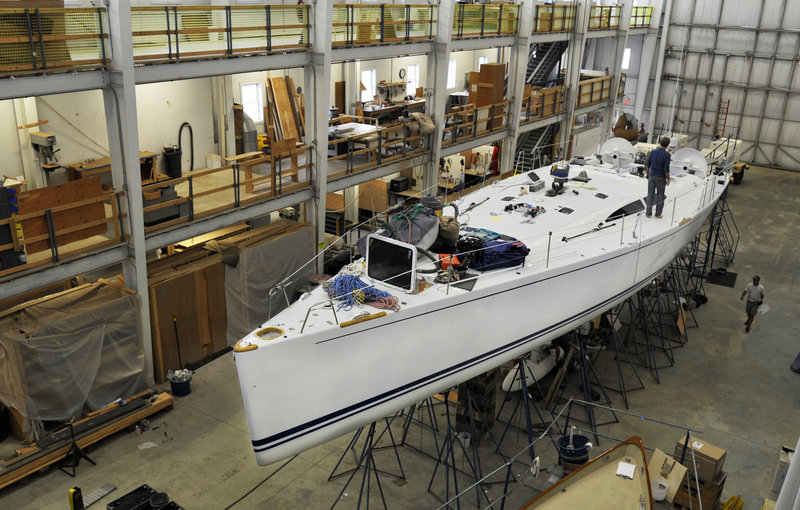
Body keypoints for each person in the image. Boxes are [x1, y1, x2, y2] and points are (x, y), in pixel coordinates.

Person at [645, 137, 671, 218]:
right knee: (660, 195)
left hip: (652, 175)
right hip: (661, 177)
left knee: (650, 194)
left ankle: (648, 213)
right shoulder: (667, 155)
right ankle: (658, 214)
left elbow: (648, 163)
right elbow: (666, 169)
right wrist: (668, 179)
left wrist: (647, 173)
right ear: (667, 145)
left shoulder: (653, 151)